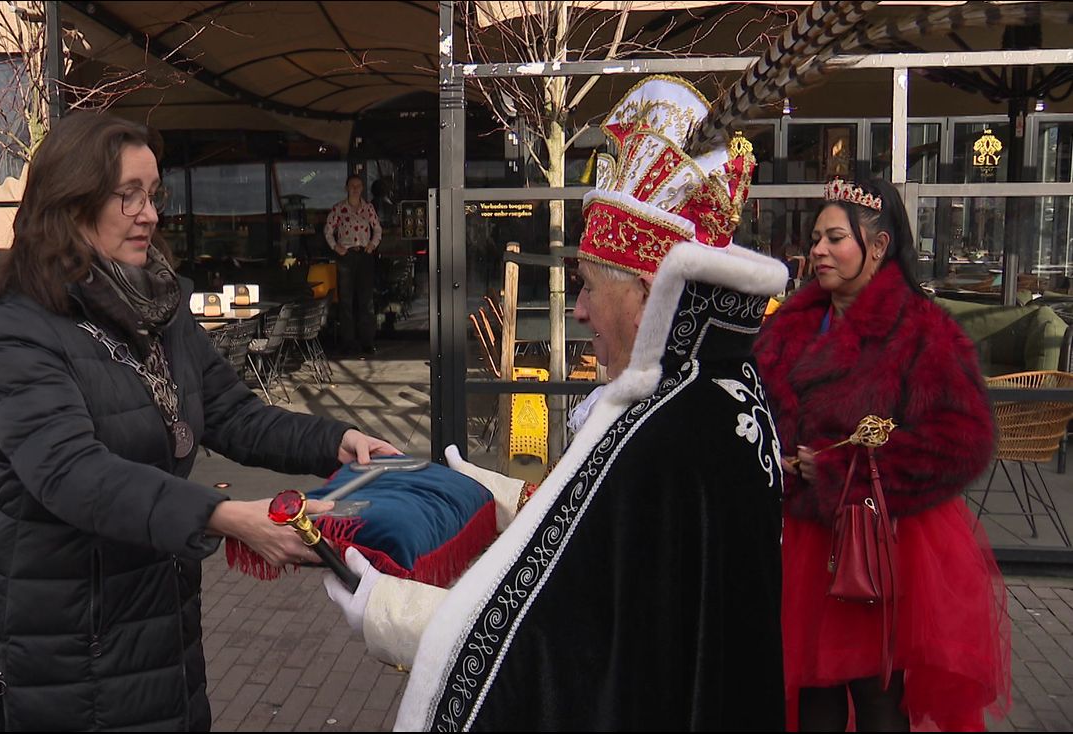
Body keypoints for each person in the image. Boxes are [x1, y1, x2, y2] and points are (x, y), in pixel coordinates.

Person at [324, 76, 789, 731]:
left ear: (649, 292)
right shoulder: (706, 395)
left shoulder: (663, 431)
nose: (577, 310)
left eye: (589, 286)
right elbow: (611, 559)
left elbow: (571, 634)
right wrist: (509, 499)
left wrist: (392, 615)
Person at [0, 111, 398, 732]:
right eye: (129, 196)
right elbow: (71, 473)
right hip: (59, 644)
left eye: (153, 194)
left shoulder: (157, 305)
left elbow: (230, 412)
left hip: (157, 621)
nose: (151, 214)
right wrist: (222, 517)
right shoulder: (17, 328)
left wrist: (337, 441)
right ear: (70, 203)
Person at [753, 177, 1010, 731]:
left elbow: (964, 439)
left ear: (878, 245)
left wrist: (846, 470)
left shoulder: (922, 332)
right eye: (815, 237)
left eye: (834, 238)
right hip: (804, 542)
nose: (817, 250)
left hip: (882, 545)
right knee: (810, 692)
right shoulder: (786, 331)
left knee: (876, 699)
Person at [324, 173, 382, 355]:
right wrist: (336, 247)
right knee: (346, 301)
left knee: (366, 301)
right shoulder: (339, 209)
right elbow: (328, 230)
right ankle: (348, 342)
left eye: (358, 185)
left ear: (362, 188)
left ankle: (367, 341)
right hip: (347, 256)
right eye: (352, 186)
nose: (355, 189)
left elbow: (378, 229)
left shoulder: (368, 208)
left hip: (364, 255)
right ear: (347, 188)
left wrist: (372, 245)